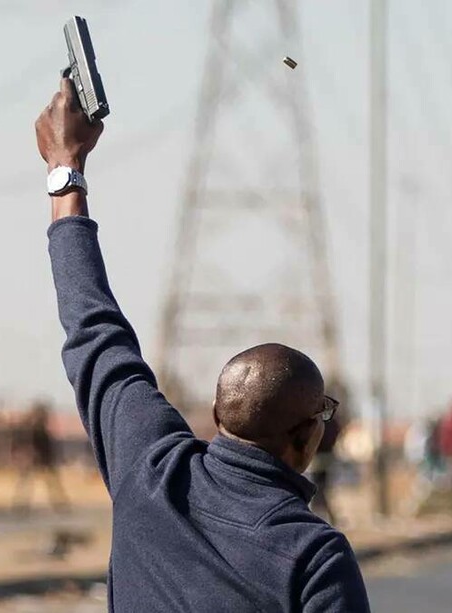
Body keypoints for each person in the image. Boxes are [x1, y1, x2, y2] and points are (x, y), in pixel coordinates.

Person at [36, 78, 369, 612]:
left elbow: (93, 328)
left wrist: (64, 170)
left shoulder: (151, 473)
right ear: (307, 439)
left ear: (216, 414)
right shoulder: (313, 557)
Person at [12, 400, 70, 513]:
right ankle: (21, 507)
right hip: (37, 459)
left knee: (51, 484)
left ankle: (59, 505)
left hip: (44, 459)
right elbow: (28, 444)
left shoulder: (38, 429)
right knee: (28, 484)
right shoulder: (34, 429)